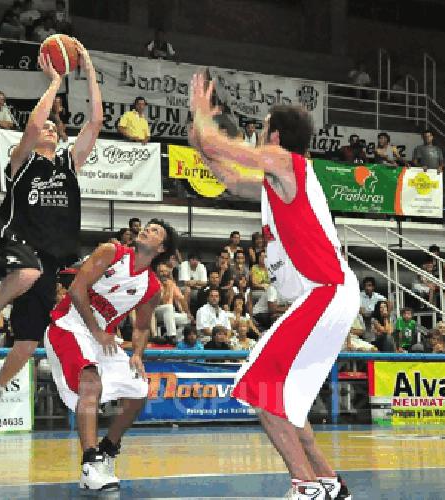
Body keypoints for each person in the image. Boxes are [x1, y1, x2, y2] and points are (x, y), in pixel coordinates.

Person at [187, 71, 355, 500]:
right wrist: (200, 137)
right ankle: (331, 484)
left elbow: (225, 146)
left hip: (325, 292)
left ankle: (305, 487)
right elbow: (224, 173)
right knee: (288, 404)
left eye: (263, 129)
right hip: (324, 297)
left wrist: (202, 116)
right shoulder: (274, 183)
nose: (259, 134)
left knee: (260, 388)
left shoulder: (289, 163)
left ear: (276, 137)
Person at [0, 39, 106, 425]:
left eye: (51, 127)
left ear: (59, 138)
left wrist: (89, 68)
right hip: (16, 237)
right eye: (42, 126)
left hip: (50, 254)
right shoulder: (22, 161)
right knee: (26, 272)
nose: (45, 128)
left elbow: (94, 122)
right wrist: (54, 82)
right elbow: (30, 124)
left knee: (28, 341)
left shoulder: (68, 164)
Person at [41, 219, 176, 490]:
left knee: (139, 390)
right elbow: (77, 289)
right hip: (70, 325)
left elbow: (140, 327)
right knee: (91, 383)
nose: (146, 230)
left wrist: (137, 354)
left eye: (154, 231)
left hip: (103, 338)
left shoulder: (151, 289)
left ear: (160, 248)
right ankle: (90, 463)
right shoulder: (110, 252)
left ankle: (108, 449)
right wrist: (97, 331)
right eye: (146, 227)